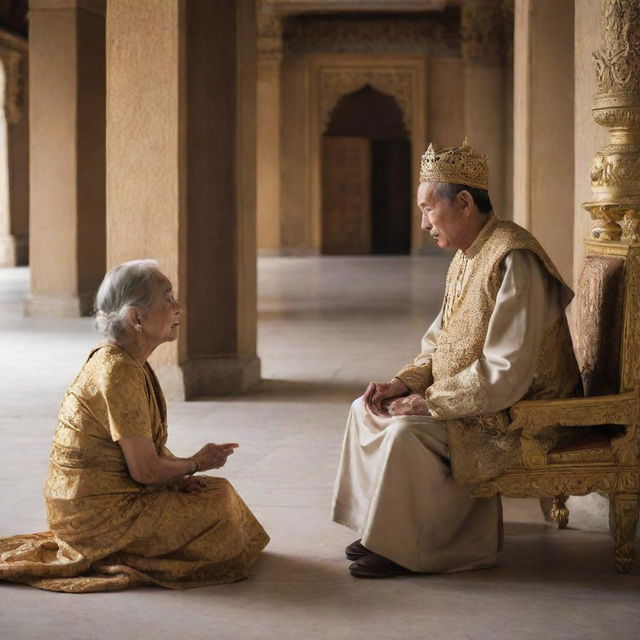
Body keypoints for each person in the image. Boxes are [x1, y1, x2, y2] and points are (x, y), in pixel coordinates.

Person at [331, 140, 580, 578]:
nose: (424, 222)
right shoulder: (466, 256)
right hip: (481, 394)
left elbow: (508, 369)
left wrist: (432, 402)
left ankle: (431, 548)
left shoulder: (512, 257)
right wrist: (405, 383)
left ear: (464, 203)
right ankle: (383, 531)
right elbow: (441, 342)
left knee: (407, 431)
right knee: (366, 408)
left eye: (429, 209)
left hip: (522, 411)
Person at [0, 260, 269, 592]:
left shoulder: (126, 361)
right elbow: (145, 471)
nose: (178, 307)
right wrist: (196, 464)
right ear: (136, 318)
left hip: (97, 502)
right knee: (218, 508)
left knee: (216, 494)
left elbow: (142, 453)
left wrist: (181, 478)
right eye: (167, 299)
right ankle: (114, 553)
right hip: (95, 519)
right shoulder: (118, 371)